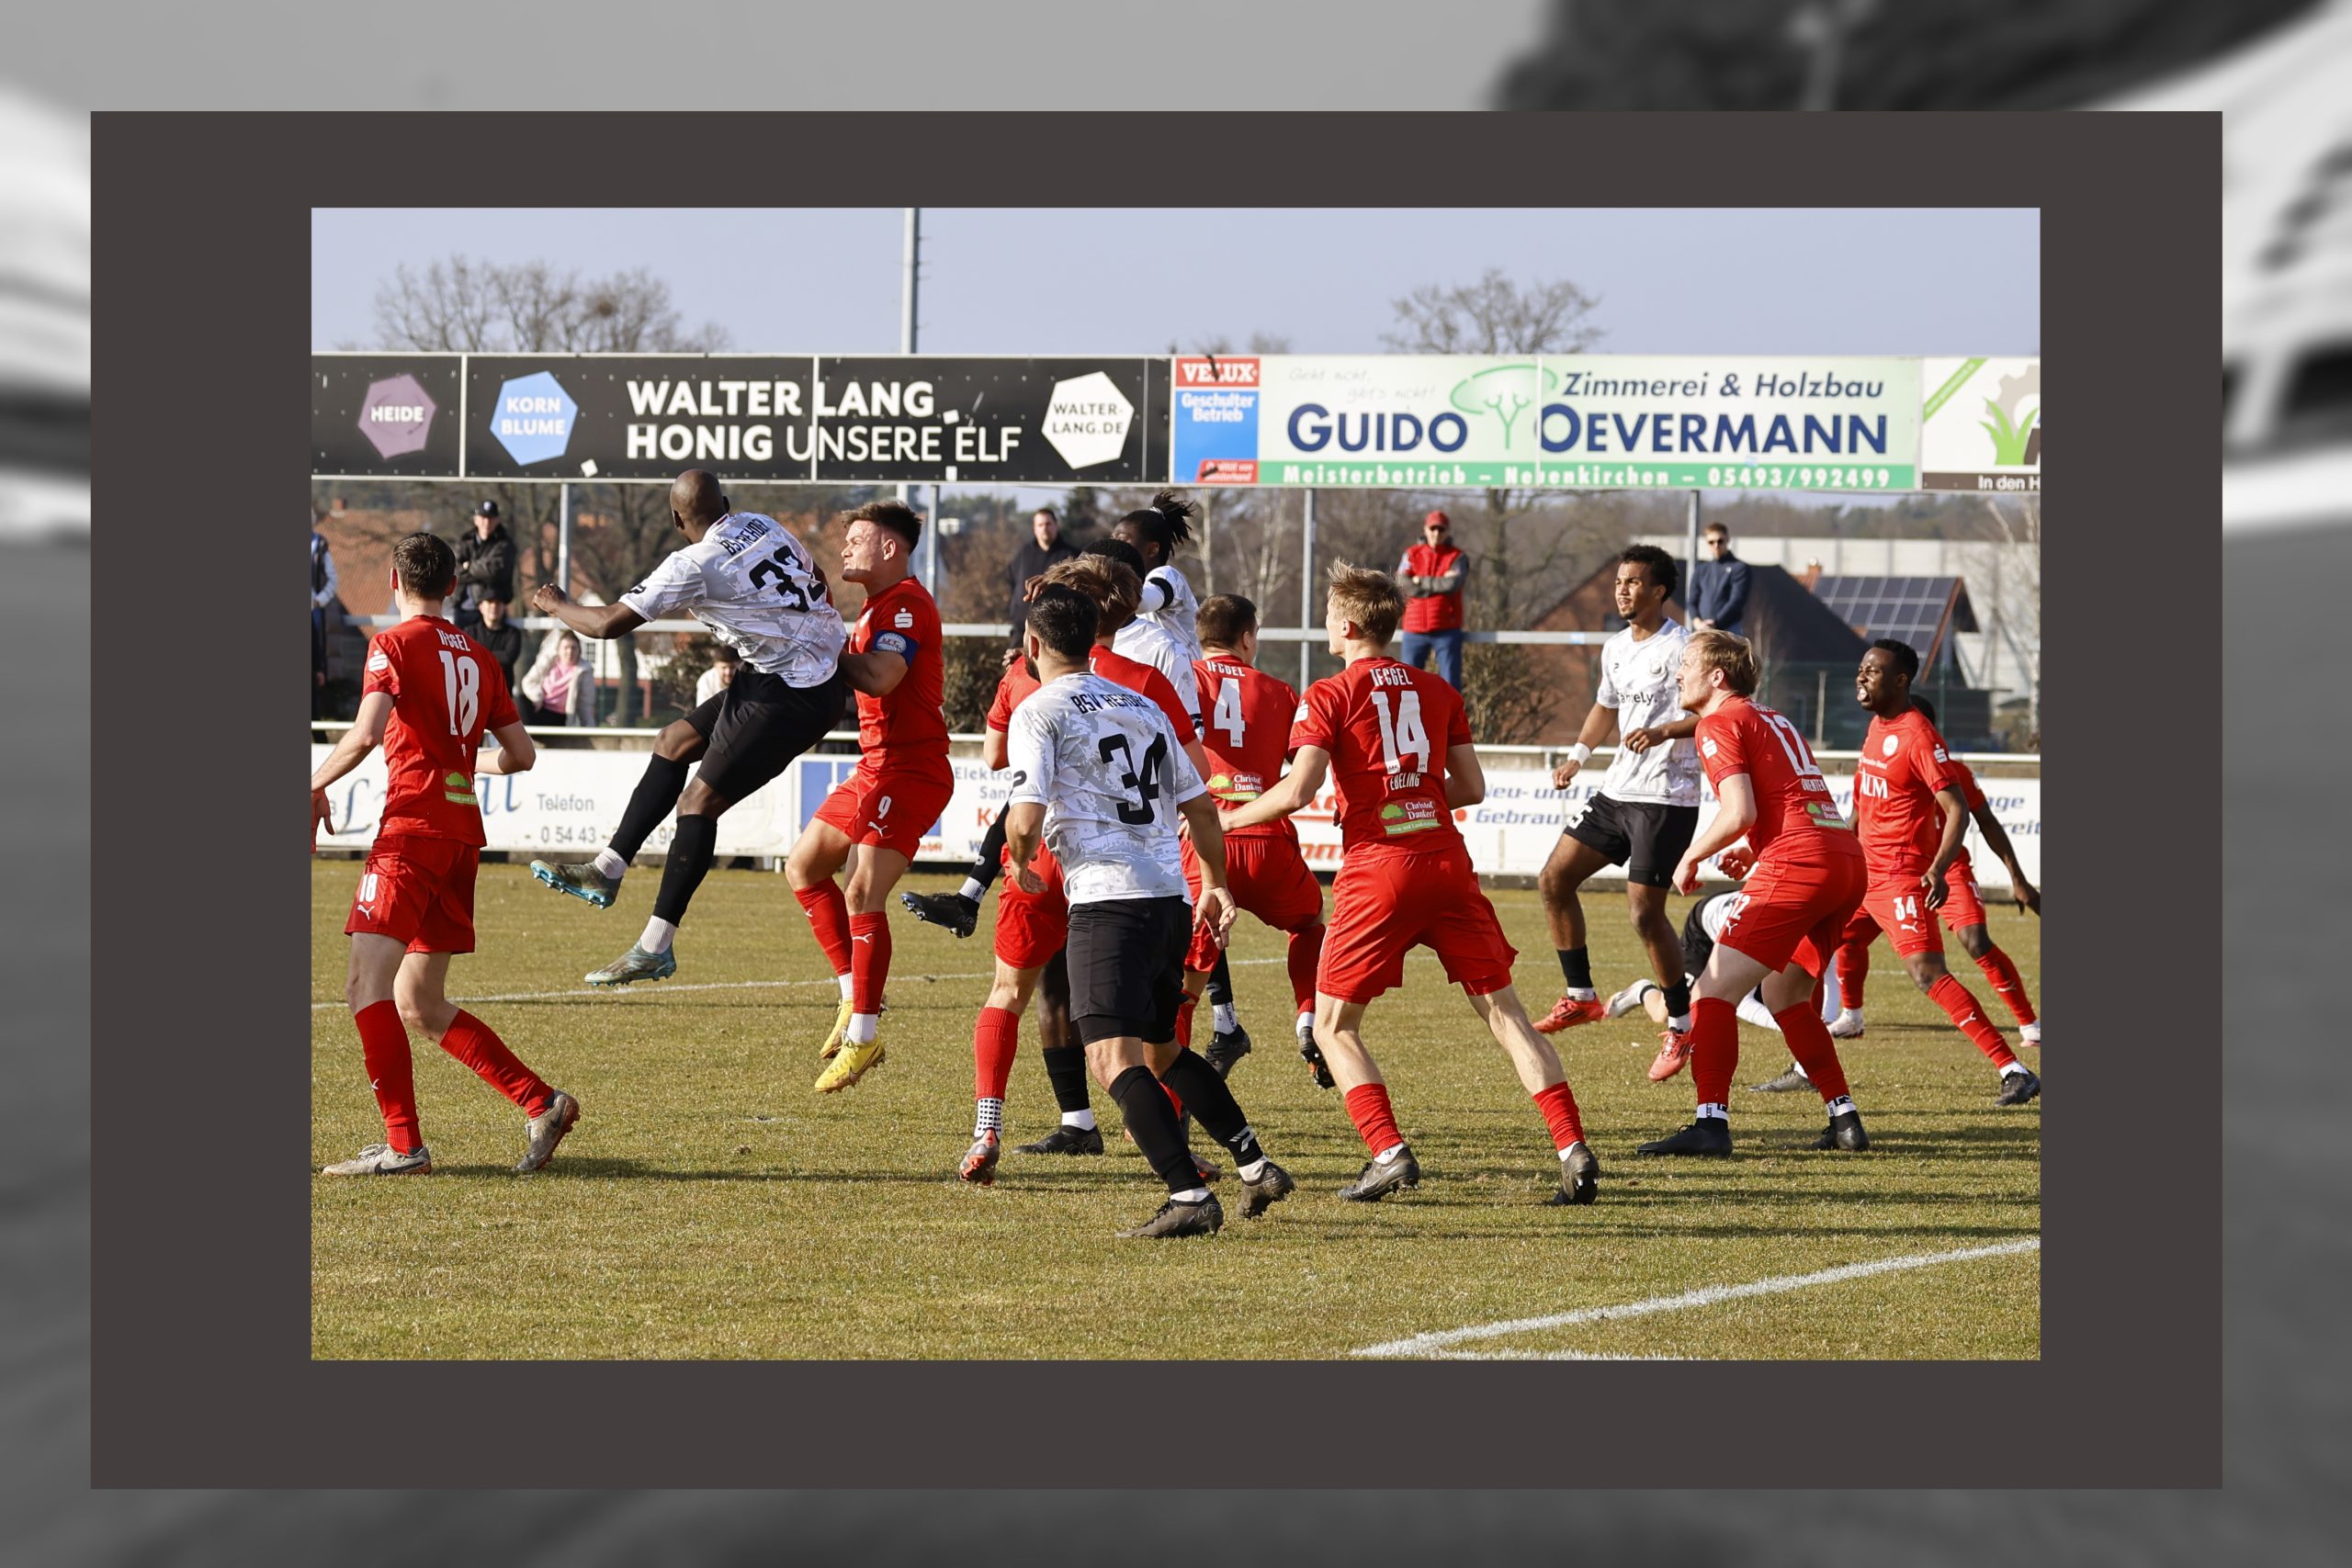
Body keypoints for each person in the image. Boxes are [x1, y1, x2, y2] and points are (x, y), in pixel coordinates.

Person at [1221, 564, 1600, 1208]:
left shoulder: (1329, 691)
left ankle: (1388, 1151)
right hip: (1447, 863)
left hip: (1380, 870)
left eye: (1327, 618)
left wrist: (1228, 816)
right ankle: (1573, 1148)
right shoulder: (1437, 689)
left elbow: (1300, 788)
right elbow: (1472, 788)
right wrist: (1419, 799)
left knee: (1333, 1027)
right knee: (1506, 1013)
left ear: (1345, 625)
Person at [1001, 579, 1295, 1237]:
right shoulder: (1142, 706)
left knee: (1111, 1058)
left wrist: (1020, 865)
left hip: (1109, 902)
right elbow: (1200, 806)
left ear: (1033, 643)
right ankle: (1254, 1163)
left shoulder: (1040, 709)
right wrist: (1215, 882)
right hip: (1168, 896)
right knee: (1162, 1049)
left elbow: (1024, 814)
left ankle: (1188, 1193)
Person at [308, 532, 580, 1177]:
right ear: (455, 588)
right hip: (461, 838)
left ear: (395, 585)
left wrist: (311, 783)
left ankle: (404, 1147)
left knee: (363, 987)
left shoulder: (392, 645)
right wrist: (462, 762)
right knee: (420, 1002)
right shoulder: (482, 658)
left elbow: (365, 734)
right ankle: (541, 1101)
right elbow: (521, 755)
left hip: (412, 835)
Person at [524, 468, 849, 988]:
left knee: (698, 803)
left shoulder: (693, 562)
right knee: (673, 742)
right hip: (794, 673)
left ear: (677, 520)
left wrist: (556, 603)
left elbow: (607, 624)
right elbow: (820, 582)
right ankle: (607, 869)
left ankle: (655, 946)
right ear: (727, 502)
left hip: (790, 693)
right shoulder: (761, 523)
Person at [1633, 629, 1871, 1158]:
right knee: (1787, 997)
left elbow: (1740, 810)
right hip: (1843, 860)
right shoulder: (1773, 716)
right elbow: (1785, 801)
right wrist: (1758, 850)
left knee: (1711, 994)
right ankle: (1845, 1118)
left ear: (1716, 676)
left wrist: (1692, 855)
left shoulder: (1717, 722)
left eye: (1687, 662)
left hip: (1801, 861)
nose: (1677, 671)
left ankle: (1710, 1125)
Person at [786, 500, 954, 1093]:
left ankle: (864, 1033)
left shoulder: (906, 603)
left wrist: (821, 645)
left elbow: (882, 676)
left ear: (890, 547)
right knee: (804, 866)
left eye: (856, 538)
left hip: (911, 769)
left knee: (861, 888)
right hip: (875, 766)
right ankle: (851, 993)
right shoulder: (874, 608)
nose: (845, 548)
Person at [1834, 649, 2042, 1106]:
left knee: (1934, 970)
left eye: (1872, 670)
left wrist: (1938, 868)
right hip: (1866, 873)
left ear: (1901, 679)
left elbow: (1961, 811)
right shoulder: (1876, 727)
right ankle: (1821, 1051)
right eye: (1861, 668)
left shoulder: (1919, 737)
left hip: (1903, 876)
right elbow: (1862, 807)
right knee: (1822, 948)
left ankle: (2014, 1067)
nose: (1861, 676)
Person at [1531, 545, 1706, 1086]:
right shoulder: (1612, 647)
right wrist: (1578, 756)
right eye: (1618, 582)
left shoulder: (1685, 649)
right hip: (1617, 792)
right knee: (1554, 879)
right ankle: (1580, 996)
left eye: (1633, 582)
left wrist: (1663, 732)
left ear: (1659, 591)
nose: (1622, 590)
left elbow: (1710, 714)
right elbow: (1606, 705)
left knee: (1642, 915)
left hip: (1667, 798)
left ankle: (1680, 1023)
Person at [1179, 593, 1327, 1080]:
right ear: (1246, 638)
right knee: (1308, 925)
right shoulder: (1282, 692)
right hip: (1266, 841)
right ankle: (1309, 1017)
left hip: (1201, 842)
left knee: (1183, 985)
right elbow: (1298, 769)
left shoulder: (1182, 680)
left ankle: (1171, 1101)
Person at [1110, 488, 1204, 661]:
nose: (1114, 547)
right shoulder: (1126, 587)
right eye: (1112, 539)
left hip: (1183, 683)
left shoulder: (1168, 576)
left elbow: (1141, 603)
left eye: (1122, 540)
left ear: (1153, 549)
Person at [1396, 509, 1469, 690]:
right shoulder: (1411, 554)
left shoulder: (1457, 556)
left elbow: (1453, 585)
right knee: (1407, 685)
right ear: (1425, 529)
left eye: (1441, 529)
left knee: (1451, 685)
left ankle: (1451, 719)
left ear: (1447, 531)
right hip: (1414, 630)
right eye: (1433, 528)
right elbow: (1402, 583)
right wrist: (1438, 583)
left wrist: (1419, 580)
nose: (1437, 533)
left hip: (1446, 629)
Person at [1003, 505, 1080, 653]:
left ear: (1056, 526)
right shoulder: (1023, 554)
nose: (1045, 528)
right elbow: (1011, 582)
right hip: (1023, 627)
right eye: (1040, 525)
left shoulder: (1072, 556)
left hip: (1057, 629)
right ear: (1034, 529)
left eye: (1048, 524)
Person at [453, 499, 516, 628]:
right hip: (463, 609)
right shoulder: (465, 542)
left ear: (498, 520)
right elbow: (454, 572)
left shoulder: (504, 544)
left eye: (491, 518)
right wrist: (482, 570)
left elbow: (496, 572)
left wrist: (469, 566)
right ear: (476, 519)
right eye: (483, 517)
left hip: (491, 612)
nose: (487, 522)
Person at [1689, 522, 1750, 636]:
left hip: (1729, 630)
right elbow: (1692, 601)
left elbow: (1736, 601)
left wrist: (1715, 622)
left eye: (1720, 541)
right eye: (1711, 542)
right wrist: (1698, 623)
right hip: (1702, 631)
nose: (1716, 545)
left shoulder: (1740, 568)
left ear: (1727, 539)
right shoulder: (1701, 570)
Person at [310, 513, 339, 721]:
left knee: (315, 654)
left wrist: (320, 600)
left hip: (313, 609)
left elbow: (332, 578)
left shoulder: (319, 545)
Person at [534, 631, 596, 728]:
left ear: (579, 650)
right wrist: (537, 698)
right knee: (519, 701)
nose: (570, 651)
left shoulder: (584, 670)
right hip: (541, 708)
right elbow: (528, 682)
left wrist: (590, 729)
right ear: (558, 650)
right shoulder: (548, 662)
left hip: (561, 717)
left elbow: (586, 704)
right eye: (566, 648)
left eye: (573, 648)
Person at [469, 593, 524, 704]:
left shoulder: (512, 633)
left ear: (504, 607)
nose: (494, 607)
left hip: (502, 696)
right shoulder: (470, 632)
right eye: (490, 602)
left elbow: (508, 657)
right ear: (481, 607)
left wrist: (479, 656)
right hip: (474, 695)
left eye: (498, 603)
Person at [694, 642, 741, 706]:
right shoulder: (706, 681)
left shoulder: (748, 679)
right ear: (715, 666)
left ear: (740, 665)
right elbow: (703, 712)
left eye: (732, 667)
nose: (728, 672)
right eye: (723, 668)